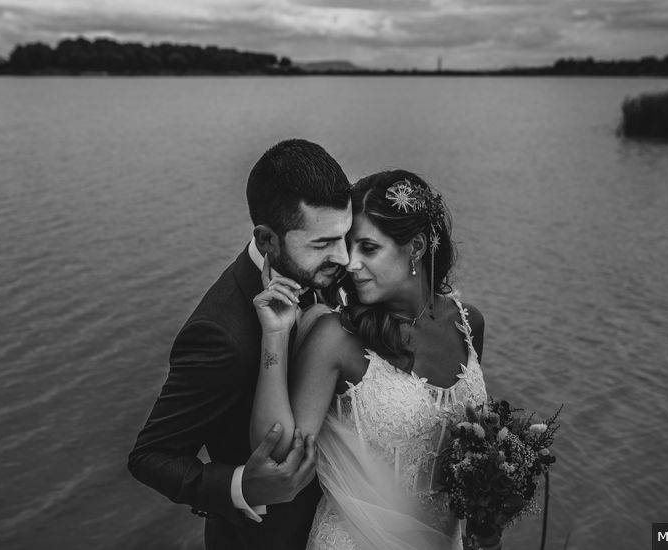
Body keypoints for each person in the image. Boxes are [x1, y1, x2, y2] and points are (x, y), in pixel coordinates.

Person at [128, 138, 353, 550]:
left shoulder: (330, 268)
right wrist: (241, 486)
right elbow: (150, 456)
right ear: (267, 241)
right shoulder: (219, 334)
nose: (345, 258)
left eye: (345, 235)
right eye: (322, 244)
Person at [250, 170, 489, 549]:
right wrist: (275, 337)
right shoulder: (337, 338)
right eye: (348, 246)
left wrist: (493, 503)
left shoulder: (467, 323)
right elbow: (278, 454)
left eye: (368, 248)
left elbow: (475, 442)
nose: (350, 263)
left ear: (416, 247)